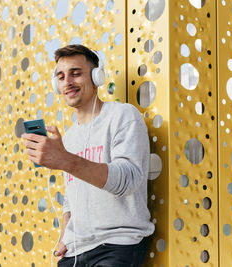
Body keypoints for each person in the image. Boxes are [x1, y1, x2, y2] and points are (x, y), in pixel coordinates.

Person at [22, 44, 154, 267]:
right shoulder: (70, 137)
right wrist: (65, 234)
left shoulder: (122, 115)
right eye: (61, 77)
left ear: (96, 77)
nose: (67, 82)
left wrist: (65, 160)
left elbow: (129, 180)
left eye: (76, 73)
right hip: (74, 250)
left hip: (116, 245)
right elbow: (70, 199)